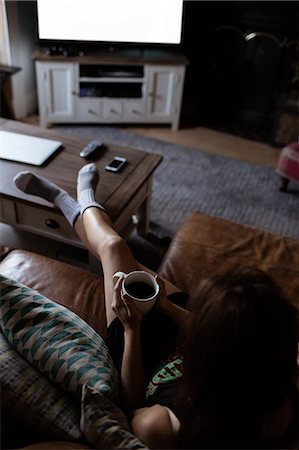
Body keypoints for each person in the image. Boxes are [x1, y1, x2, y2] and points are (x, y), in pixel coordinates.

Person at [14, 163, 298, 449]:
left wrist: (131, 329)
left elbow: (131, 401)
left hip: (138, 343)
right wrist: (167, 307)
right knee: (117, 252)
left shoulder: (165, 427)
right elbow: (232, 336)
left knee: (113, 248)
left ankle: (73, 199)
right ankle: (80, 201)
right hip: (183, 324)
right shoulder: (273, 388)